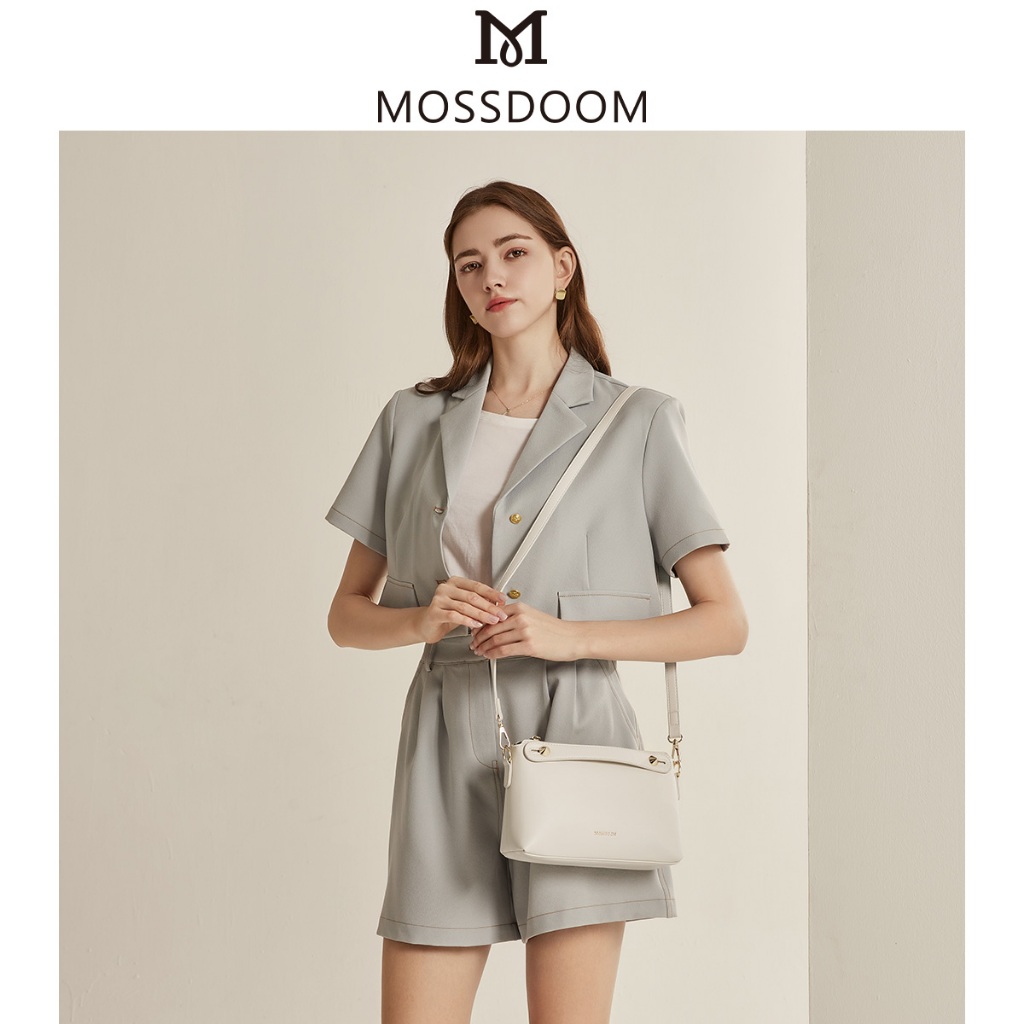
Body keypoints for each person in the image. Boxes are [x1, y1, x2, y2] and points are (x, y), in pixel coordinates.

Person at [325, 181, 748, 1024]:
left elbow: (724, 622)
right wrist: (422, 618)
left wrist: (568, 637)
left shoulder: (638, 421)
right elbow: (345, 615)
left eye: (513, 253)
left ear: (562, 268)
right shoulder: (411, 421)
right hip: (444, 736)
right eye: (469, 264)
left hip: (579, 731)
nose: (491, 276)